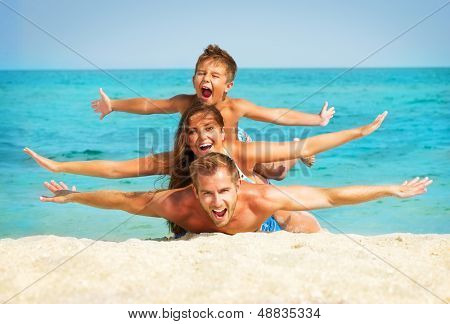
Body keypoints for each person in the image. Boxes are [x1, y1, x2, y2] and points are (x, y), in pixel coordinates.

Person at [24, 104, 387, 234]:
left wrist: (359, 131)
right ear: (185, 135)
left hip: (248, 208)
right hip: (200, 217)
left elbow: (303, 144)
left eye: (208, 130)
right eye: (192, 131)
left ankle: (282, 173)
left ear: (221, 133)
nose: (200, 138)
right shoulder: (175, 159)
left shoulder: (238, 149)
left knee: (295, 211)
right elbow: (118, 174)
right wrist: (61, 166)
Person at [90, 44, 336, 178]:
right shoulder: (185, 102)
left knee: (277, 172)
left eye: (214, 76)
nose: (206, 79)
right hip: (211, 152)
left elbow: (276, 114)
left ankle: (294, 150)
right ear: (193, 78)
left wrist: (316, 119)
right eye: (201, 73)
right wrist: (114, 105)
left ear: (227, 86)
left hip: (238, 145)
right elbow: (149, 105)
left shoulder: (235, 106)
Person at [39, 153, 432, 235]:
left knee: (307, 222)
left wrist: (388, 189)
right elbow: (123, 200)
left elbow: (329, 196)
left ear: (238, 186)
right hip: (205, 231)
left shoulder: (258, 197)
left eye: (224, 190)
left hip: (262, 229)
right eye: (207, 193)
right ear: (194, 190)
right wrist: (73, 197)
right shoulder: (180, 204)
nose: (216, 201)